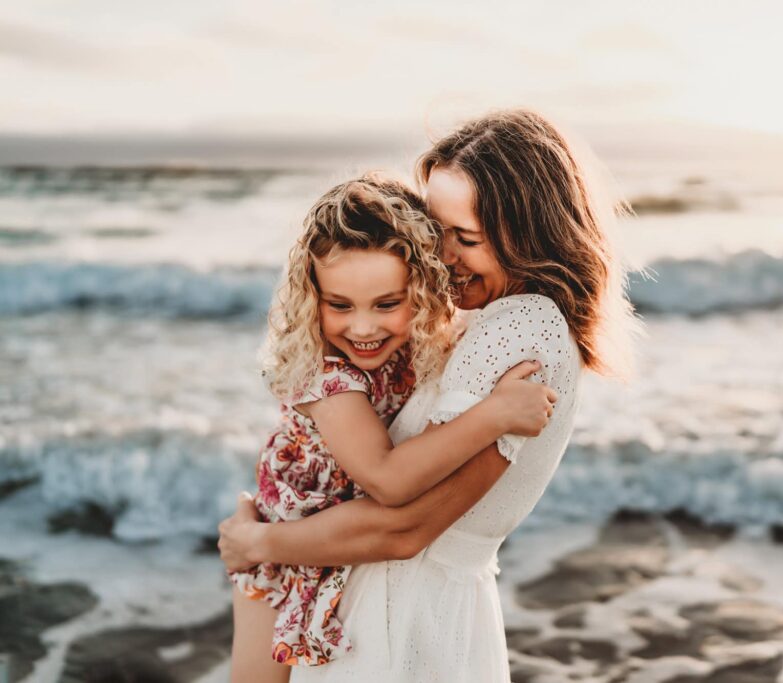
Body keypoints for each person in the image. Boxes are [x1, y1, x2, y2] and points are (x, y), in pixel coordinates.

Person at [219, 109, 638, 682]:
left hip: (403, 618)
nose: (441, 256)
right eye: (435, 233)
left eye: (466, 238)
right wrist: (261, 542)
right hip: (371, 602)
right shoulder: (435, 336)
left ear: (535, 234)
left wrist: (262, 542)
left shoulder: (521, 328)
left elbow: (403, 521)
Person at [228, 173, 557, 681]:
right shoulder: (324, 375)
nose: (362, 328)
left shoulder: (418, 348)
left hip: (343, 545)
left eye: (387, 304)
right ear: (310, 296)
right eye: (339, 305)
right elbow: (387, 478)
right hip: (282, 554)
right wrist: (495, 414)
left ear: (424, 291)